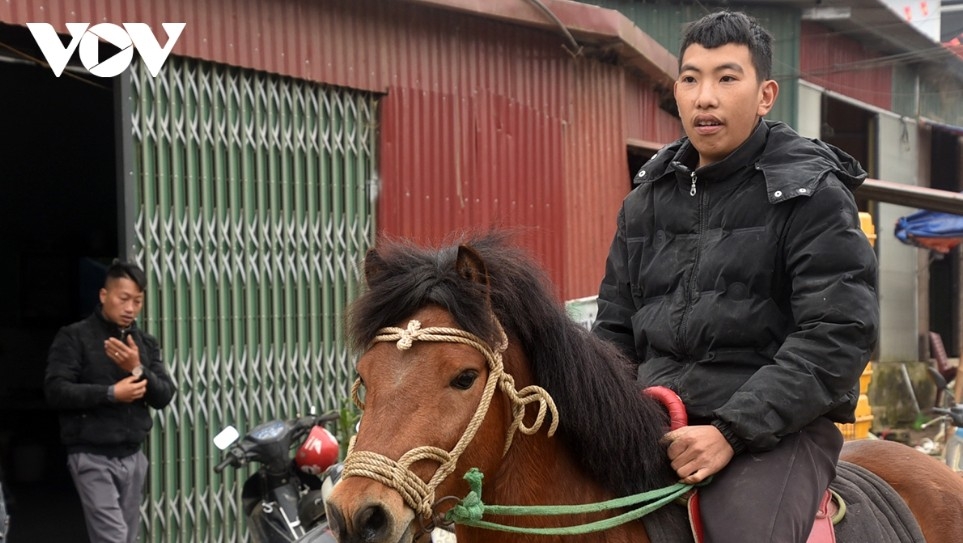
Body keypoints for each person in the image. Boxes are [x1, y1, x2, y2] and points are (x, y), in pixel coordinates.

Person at [592, 10, 879, 543]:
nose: (705, 97)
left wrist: (729, 431)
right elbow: (612, 334)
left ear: (765, 94)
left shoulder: (811, 193)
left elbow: (838, 334)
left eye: (727, 78)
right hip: (653, 423)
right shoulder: (643, 203)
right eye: (691, 79)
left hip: (775, 432)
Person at [45, 260, 176, 543]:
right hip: (91, 455)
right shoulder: (74, 337)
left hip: (132, 457)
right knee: (113, 538)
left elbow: (165, 395)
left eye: (137, 301)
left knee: (127, 537)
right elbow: (56, 390)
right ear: (104, 296)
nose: (130, 308)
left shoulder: (145, 343)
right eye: (124, 298)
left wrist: (137, 368)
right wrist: (110, 394)